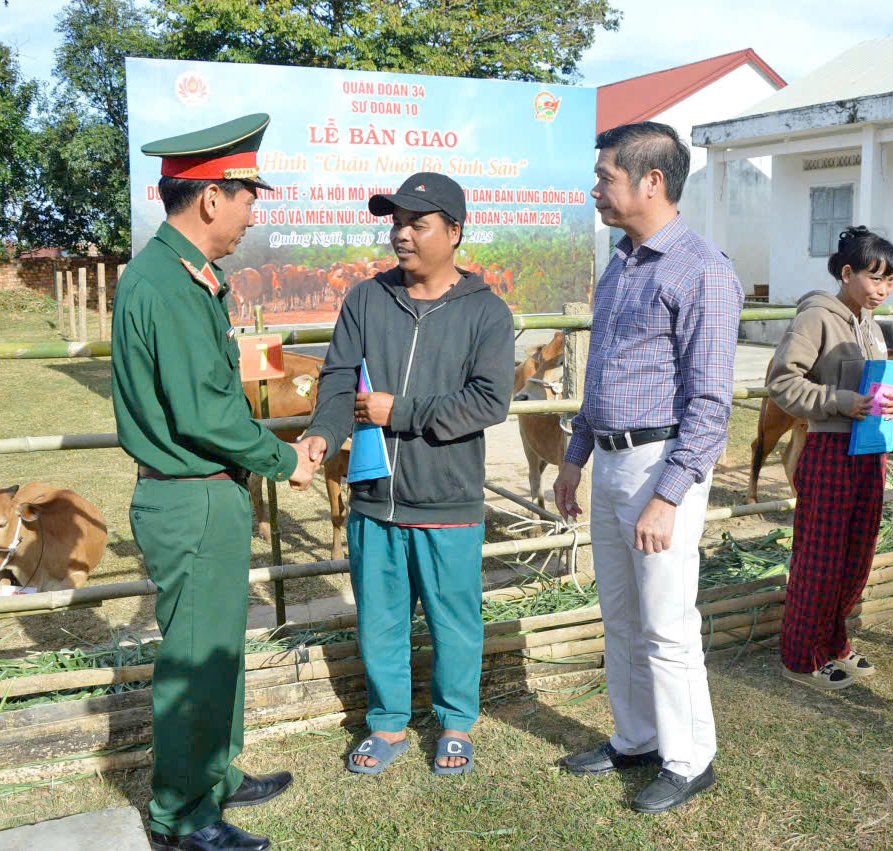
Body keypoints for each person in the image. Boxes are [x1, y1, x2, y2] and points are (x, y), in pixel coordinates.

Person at [111, 114, 319, 851]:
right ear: (208, 198)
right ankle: (182, 816)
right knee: (196, 659)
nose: (252, 212)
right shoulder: (166, 283)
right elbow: (201, 412)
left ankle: (216, 773)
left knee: (220, 646)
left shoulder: (188, 276)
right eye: (246, 197)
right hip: (190, 487)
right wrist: (284, 458)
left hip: (208, 488)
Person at [553, 122, 744, 814]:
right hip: (608, 461)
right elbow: (602, 373)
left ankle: (690, 758)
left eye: (606, 176)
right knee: (621, 615)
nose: (596, 189)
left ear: (651, 181)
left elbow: (711, 401)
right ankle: (634, 737)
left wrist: (668, 495)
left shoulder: (701, 268)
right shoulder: (624, 260)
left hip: (660, 465)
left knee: (666, 621)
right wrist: (574, 459)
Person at [298, 172, 513, 777]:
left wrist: (404, 411)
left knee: (455, 619)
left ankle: (456, 722)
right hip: (373, 494)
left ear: (454, 231)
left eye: (417, 224)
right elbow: (340, 379)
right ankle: (388, 724)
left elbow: (488, 401)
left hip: (447, 496)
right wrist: (321, 435)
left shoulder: (487, 313)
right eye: (396, 223)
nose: (402, 235)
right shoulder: (367, 299)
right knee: (381, 618)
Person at [766, 227, 893, 690]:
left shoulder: (871, 327)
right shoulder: (816, 318)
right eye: (876, 279)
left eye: (890, 281)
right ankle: (800, 656)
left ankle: (833, 642)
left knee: (857, 555)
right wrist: (838, 400)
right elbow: (781, 382)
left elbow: (886, 387)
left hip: (870, 453)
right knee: (820, 557)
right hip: (829, 450)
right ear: (847, 273)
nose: (884, 290)